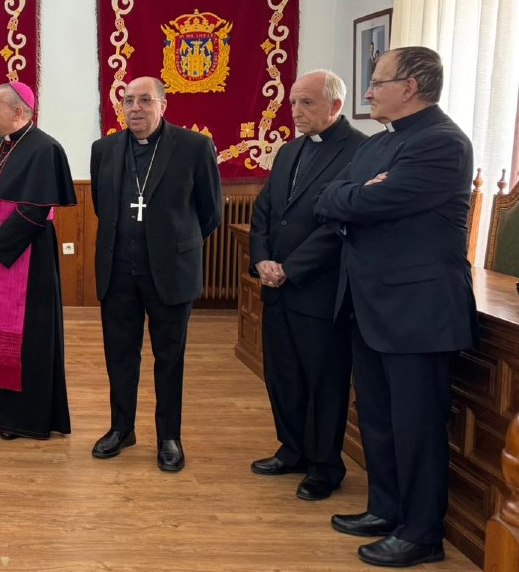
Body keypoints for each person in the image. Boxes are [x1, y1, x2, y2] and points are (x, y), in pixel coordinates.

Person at [316, 46, 476, 568]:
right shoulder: (381, 145)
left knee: (417, 426)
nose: (367, 91)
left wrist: (356, 198)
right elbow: (331, 197)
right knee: (379, 420)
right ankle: (385, 509)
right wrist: (356, 196)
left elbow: (369, 202)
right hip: (371, 305)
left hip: (418, 310)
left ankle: (421, 532)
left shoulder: (442, 143)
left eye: (378, 82)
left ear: (409, 87)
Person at [89, 76, 223, 471]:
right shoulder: (105, 149)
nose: (135, 108)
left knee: (169, 358)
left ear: (163, 105)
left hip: (170, 272)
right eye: (128, 100)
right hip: (118, 271)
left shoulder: (194, 147)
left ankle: (169, 437)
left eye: (144, 100)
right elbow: (102, 205)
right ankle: (121, 428)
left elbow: (210, 212)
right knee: (120, 355)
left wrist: (175, 244)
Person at [248, 70, 367, 500]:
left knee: (323, 380)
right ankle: (292, 447)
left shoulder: (361, 152)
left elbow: (339, 224)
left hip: (319, 289)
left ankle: (324, 465)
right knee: (283, 374)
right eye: (294, 102)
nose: (295, 112)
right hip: (277, 285)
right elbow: (265, 208)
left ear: (335, 106)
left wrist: (291, 268)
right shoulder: (289, 150)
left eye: (307, 103)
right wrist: (261, 258)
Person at [0, 82, 76, 440]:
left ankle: (16, 416)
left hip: (25, 260)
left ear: (19, 112)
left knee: (22, 338)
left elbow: (34, 211)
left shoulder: (45, 150)